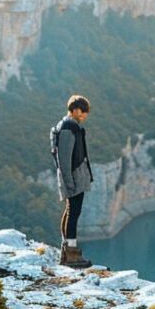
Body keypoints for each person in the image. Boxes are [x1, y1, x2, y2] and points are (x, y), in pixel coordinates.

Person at [52, 95, 97, 268]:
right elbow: (64, 160)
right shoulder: (68, 129)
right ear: (76, 110)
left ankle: (68, 252)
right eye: (84, 111)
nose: (85, 115)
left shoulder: (70, 127)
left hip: (74, 177)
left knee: (71, 211)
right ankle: (71, 254)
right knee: (73, 213)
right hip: (73, 178)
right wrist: (69, 183)